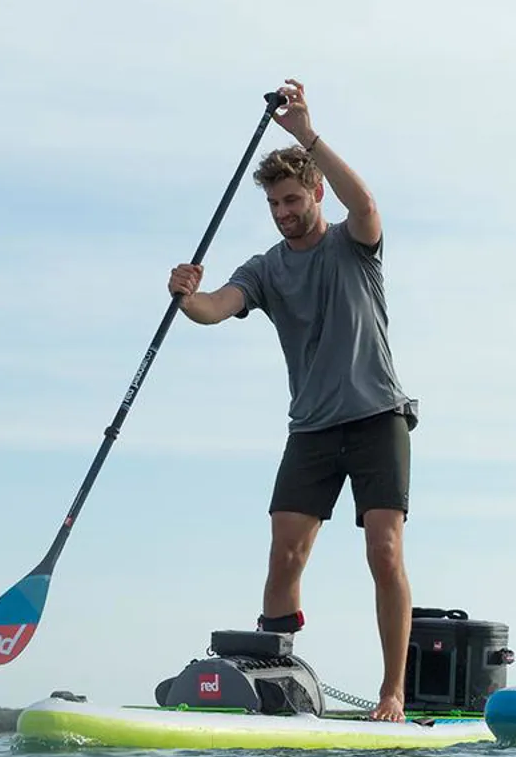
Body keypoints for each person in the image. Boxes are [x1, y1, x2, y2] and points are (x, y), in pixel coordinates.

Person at [168, 78, 417, 722]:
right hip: (311, 427)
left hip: (376, 415)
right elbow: (214, 308)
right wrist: (185, 295)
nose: (282, 211)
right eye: (274, 203)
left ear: (315, 194)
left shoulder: (355, 246)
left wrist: (307, 133)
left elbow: (366, 202)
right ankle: (274, 678)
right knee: (286, 550)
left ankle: (392, 693)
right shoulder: (265, 268)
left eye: (291, 199)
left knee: (383, 549)